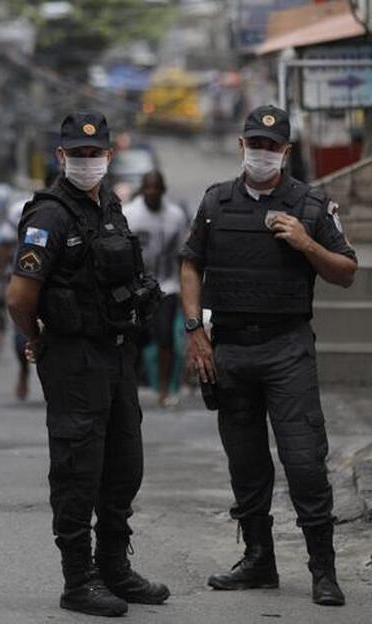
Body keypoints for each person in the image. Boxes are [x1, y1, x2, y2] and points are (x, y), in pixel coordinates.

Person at [180, 105, 357, 607]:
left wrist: (305, 244)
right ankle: (259, 561)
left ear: (286, 151)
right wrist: (195, 330)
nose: (262, 153)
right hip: (231, 346)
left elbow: (345, 271)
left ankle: (323, 570)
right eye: (255, 144)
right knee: (247, 463)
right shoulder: (216, 202)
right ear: (241, 145)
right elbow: (190, 264)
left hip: (287, 347)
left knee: (304, 461)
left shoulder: (311, 205)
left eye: (272, 146)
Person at [6, 112, 169, 617]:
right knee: (79, 469)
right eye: (77, 154)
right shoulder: (48, 216)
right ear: (61, 157)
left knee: (124, 465)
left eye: (94, 154)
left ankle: (115, 567)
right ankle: (79, 579)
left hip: (115, 352)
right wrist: (37, 339)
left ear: (108, 157)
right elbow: (18, 298)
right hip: (73, 356)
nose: (86, 162)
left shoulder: (112, 207)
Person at [123, 171, 188, 406]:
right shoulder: (130, 214)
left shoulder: (175, 216)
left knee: (165, 339)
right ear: (142, 189)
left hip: (165, 286)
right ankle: (128, 387)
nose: (152, 193)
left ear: (163, 190)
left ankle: (163, 387)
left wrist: (184, 288)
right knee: (132, 339)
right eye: (148, 188)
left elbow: (182, 254)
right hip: (135, 286)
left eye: (156, 188)